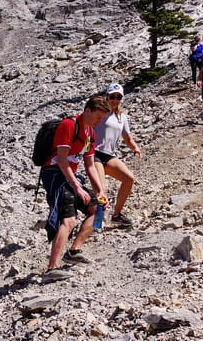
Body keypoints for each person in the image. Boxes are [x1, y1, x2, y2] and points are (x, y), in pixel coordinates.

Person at [40, 95, 110, 280]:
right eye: (98, 117)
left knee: (98, 210)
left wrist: (99, 189)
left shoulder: (90, 134)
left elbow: (89, 165)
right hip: (55, 173)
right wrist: (77, 187)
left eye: (102, 118)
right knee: (69, 220)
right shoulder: (69, 125)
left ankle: (74, 251)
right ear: (87, 111)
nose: (99, 121)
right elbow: (62, 161)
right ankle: (52, 268)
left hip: (71, 176)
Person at [93, 83, 142, 228]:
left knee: (129, 179)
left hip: (110, 156)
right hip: (95, 154)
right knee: (101, 189)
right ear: (106, 97)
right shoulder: (100, 113)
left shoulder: (122, 118)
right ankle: (96, 223)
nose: (115, 100)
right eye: (112, 96)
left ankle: (116, 214)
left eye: (118, 97)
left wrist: (135, 148)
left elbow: (127, 137)